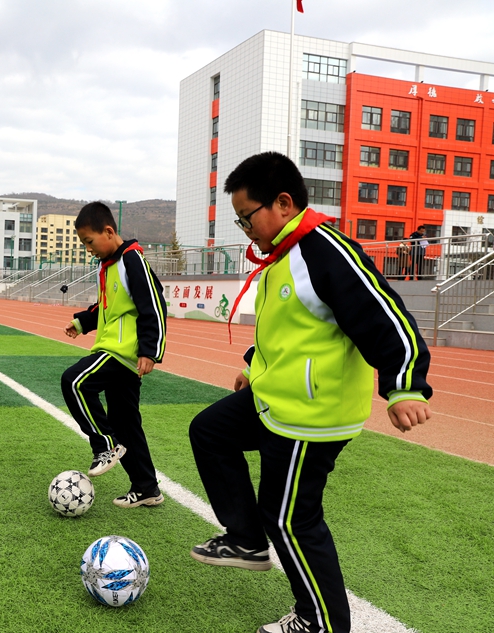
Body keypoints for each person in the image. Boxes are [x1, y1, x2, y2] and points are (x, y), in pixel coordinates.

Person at [188, 152, 432, 633]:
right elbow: (291, 329)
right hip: (277, 400)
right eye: (240, 222)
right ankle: (245, 538)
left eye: (247, 218)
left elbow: (386, 317)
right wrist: (253, 366)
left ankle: (321, 623)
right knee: (210, 431)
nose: (246, 230)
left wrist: (405, 386)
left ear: (283, 203)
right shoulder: (283, 254)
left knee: (291, 518)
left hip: (312, 414)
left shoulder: (325, 250)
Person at [60, 202, 168, 508]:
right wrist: (82, 322)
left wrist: (150, 351)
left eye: (89, 241)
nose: (88, 249)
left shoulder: (132, 259)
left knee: (74, 382)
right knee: (126, 423)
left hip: (121, 352)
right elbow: (106, 307)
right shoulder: (107, 266)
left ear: (108, 231)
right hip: (116, 352)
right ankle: (147, 488)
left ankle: (105, 445)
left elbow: (154, 304)